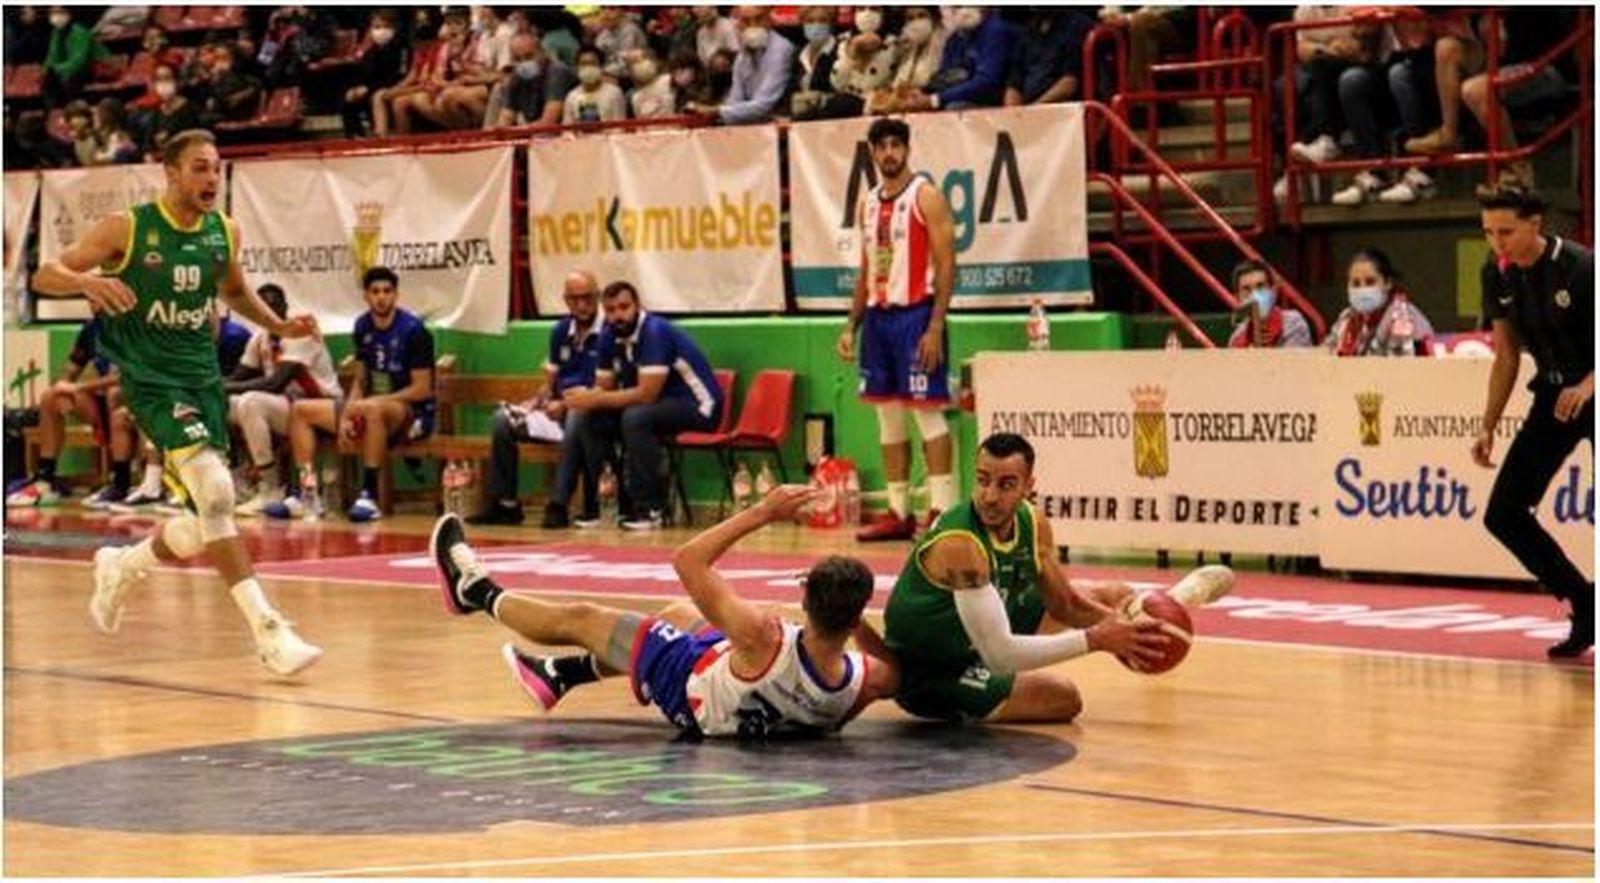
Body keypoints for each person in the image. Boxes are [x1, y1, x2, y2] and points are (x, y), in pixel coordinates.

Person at [31, 129, 322, 676]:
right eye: (199, 168)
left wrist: (278, 323)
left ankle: (122, 564)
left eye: (216, 168)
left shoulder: (223, 231)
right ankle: (269, 631)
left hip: (202, 381)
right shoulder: (131, 228)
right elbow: (46, 274)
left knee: (205, 517)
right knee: (216, 492)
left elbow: (234, 293)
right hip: (150, 381)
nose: (211, 179)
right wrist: (86, 283)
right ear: (170, 173)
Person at [430, 484, 900, 737]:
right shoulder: (866, 681)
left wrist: (762, 513)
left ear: (805, 600)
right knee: (678, 614)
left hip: (689, 690)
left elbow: (688, 559)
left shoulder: (762, 634)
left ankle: (475, 591)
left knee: (580, 618)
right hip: (747, 707)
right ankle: (562, 674)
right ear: (858, 618)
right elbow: (886, 678)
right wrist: (862, 634)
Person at [884, 433, 1233, 723]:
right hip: (931, 669)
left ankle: (1175, 600)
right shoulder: (960, 547)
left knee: (1116, 595)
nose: (990, 496)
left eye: (1006, 484)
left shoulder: (1031, 521)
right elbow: (1000, 656)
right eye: (983, 481)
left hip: (980, 632)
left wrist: (1128, 628)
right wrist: (1098, 638)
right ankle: (978, 696)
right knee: (1063, 698)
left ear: (1028, 486)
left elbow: (1064, 605)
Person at [1471, 186, 1594, 659]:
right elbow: (1505, 355)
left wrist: (1588, 386)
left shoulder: (1581, 268)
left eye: (1506, 231)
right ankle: (1585, 603)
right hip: (1552, 396)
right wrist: (1487, 424)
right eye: (1488, 233)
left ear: (1535, 223)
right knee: (1503, 514)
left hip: (1592, 391)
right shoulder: (1495, 273)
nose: (1496, 243)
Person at [836, 117, 957, 542]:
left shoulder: (926, 196)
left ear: (907, 149)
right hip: (878, 319)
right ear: (872, 152)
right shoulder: (867, 202)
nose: (889, 153)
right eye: (881, 146)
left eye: (895, 145)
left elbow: (947, 263)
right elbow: (866, 267)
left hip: (916, 316)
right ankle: (898, 511)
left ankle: (942, 511)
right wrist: (852, 324)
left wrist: (936, 325)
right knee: (887, 417)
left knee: (928, 413)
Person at [267, 266, 436, 523]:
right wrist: (347, 414)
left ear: (396, 295)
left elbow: (422, 388)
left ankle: (369, 495)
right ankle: (306, 491)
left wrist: (371, 403)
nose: (381, 297)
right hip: (367, 406)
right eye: (375, 291)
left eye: (387, 291)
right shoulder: (362, 326)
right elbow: (360, 379)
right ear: (366, 296)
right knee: (301, 410)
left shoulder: (414, 331)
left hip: (409, 412)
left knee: (372, 410)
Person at [563, 281, 723, 531]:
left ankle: (650, 509)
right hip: (660, 405)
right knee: (589, 417)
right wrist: (581, 398)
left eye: (624, 307)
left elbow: (647, 394)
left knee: (636, 417)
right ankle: (610, 503)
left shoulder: (654, 331)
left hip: (698, 406)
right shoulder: (608, 335)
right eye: (612, 310)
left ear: (638, 306)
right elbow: (603, 388)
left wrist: (596, 398)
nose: (618, 315)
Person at [469, 270, 606, 528]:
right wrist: (538, 400)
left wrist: (565, 405)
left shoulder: (609, 331)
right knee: (503, 420)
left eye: (587, 298)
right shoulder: (561, 331)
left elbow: (606, 386)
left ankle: (558, 504)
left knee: (578, 415)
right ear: (565, 300)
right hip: (556, 412)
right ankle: (505, 504)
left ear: (597, 297)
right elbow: (551, 379)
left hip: (591, 414)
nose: (581, 305)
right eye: (574, 299)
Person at [226, 284, 342, 515]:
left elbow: (274, 383)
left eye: (274, 305)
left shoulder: (300, 331)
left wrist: (222, 386)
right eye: (263, 306)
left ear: (286, 307)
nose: (269, 311)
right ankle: (243, 478)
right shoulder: (260, 338)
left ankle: (277, 488)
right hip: (293, 410)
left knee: (250, 401)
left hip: (324, 408)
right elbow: (239, 376)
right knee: (225, 405)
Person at [5, 317, 123, 508]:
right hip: (98, 399)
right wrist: (63, 388)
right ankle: (45, 479)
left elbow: (124, 377)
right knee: (52, 397)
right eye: (90, 299)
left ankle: (121, 481)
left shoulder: (134, 326)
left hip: (130, 396)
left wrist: (80, 387)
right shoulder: (91, 329)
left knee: (114, 393)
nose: (94, 304)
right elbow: (70, 369)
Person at [685, 6, 794, 124]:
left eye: (759, 19)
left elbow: (763, 105)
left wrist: (715, 111)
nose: (753, 25)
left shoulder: (780, 49)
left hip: (779, 124)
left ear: (769, 20)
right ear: (738, 25)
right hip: (751, 124)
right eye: (746, 21)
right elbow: (735, 100)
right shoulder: (743, 55)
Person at [898, 6, 1018, 111]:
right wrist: (924, 93)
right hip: (955, 98)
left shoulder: (996, 30)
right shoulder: (955, 38)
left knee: (953, 107)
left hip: (991, 103)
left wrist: (935, 99)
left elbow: (987, 82)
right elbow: (944, 78)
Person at [1325, 248, 1435, 356]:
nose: (1362, 289)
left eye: (1370, 282)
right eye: (1356, 283)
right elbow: (1326, 355)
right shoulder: (1347, 317)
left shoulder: (1401, 316)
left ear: (1388, 283)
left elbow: (1399, 368)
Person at [1003, 8, 1094, 106]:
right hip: (1028, 112)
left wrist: (1032, 110)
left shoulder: (1078, 26)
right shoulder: (1029, 30)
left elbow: (1069, 83)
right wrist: (1014, 112)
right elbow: (1014, 83)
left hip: (1065, 110)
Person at [340, 10, 407, 138]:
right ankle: (355, 136)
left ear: (395, 28)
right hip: (373, 86)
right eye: (376, 27)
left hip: (394, 86)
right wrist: (357, 88)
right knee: (349, 96)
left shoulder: (402, 47)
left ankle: (381, 133)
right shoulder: (371, 50)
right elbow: (364, 74)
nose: (381, 31)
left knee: (375, 95)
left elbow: (399, 76)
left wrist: (368, 88)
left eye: (386, 27)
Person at [489, 32, 573, 128]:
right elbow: (505, 118)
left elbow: (548, 122)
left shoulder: (557, 72)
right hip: (533, 132)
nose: (524, 63)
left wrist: (516, 131)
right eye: (518, 59)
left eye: (529, 56)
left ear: (542, 52)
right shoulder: (516, 77)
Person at [1227, 258, 1315, 348]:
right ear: (1237, 297)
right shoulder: (1236, 338)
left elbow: (1293, 361)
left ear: (1271, 291)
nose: (1254, 296)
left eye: (1260, 286)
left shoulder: (1293, 323)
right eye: (1246, 289)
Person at [563, 45, 628, 124]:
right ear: (577, 67)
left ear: (601, 66)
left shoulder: (614, 93)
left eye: (592, 63)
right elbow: (567, 129)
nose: (588, 67)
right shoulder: (572, 96)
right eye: (583, 64)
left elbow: (619, 127)